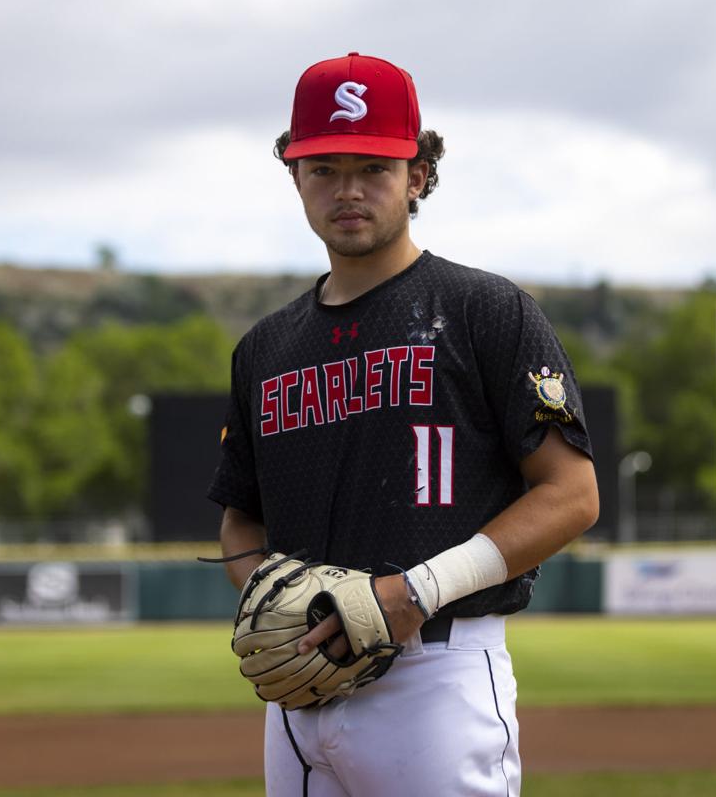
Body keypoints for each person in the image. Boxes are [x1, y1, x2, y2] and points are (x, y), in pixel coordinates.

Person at [208, 51, 599, 796]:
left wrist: (413, 591)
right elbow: (241, 521)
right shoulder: (264, 348)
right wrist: (278, 602)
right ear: (293, 175)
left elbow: (572, 494)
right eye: (323, 168)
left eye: (374, 167)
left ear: (418, 174)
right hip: (302, 685)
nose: (347, 190)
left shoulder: (486, 310)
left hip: (436, 675)